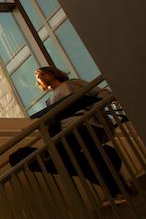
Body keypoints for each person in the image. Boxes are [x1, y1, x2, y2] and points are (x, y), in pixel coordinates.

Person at [9, 66, 129, 204]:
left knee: (88, 157)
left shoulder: (73, 83)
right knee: (82, 161)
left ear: (52, 73)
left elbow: (101, 92)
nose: (39, 77)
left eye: (42, 74)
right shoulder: (49, 102)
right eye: (37, 78)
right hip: (66, 133)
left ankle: (117, 189)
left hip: (85, 124)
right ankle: (117, 182)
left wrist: (95, 106)